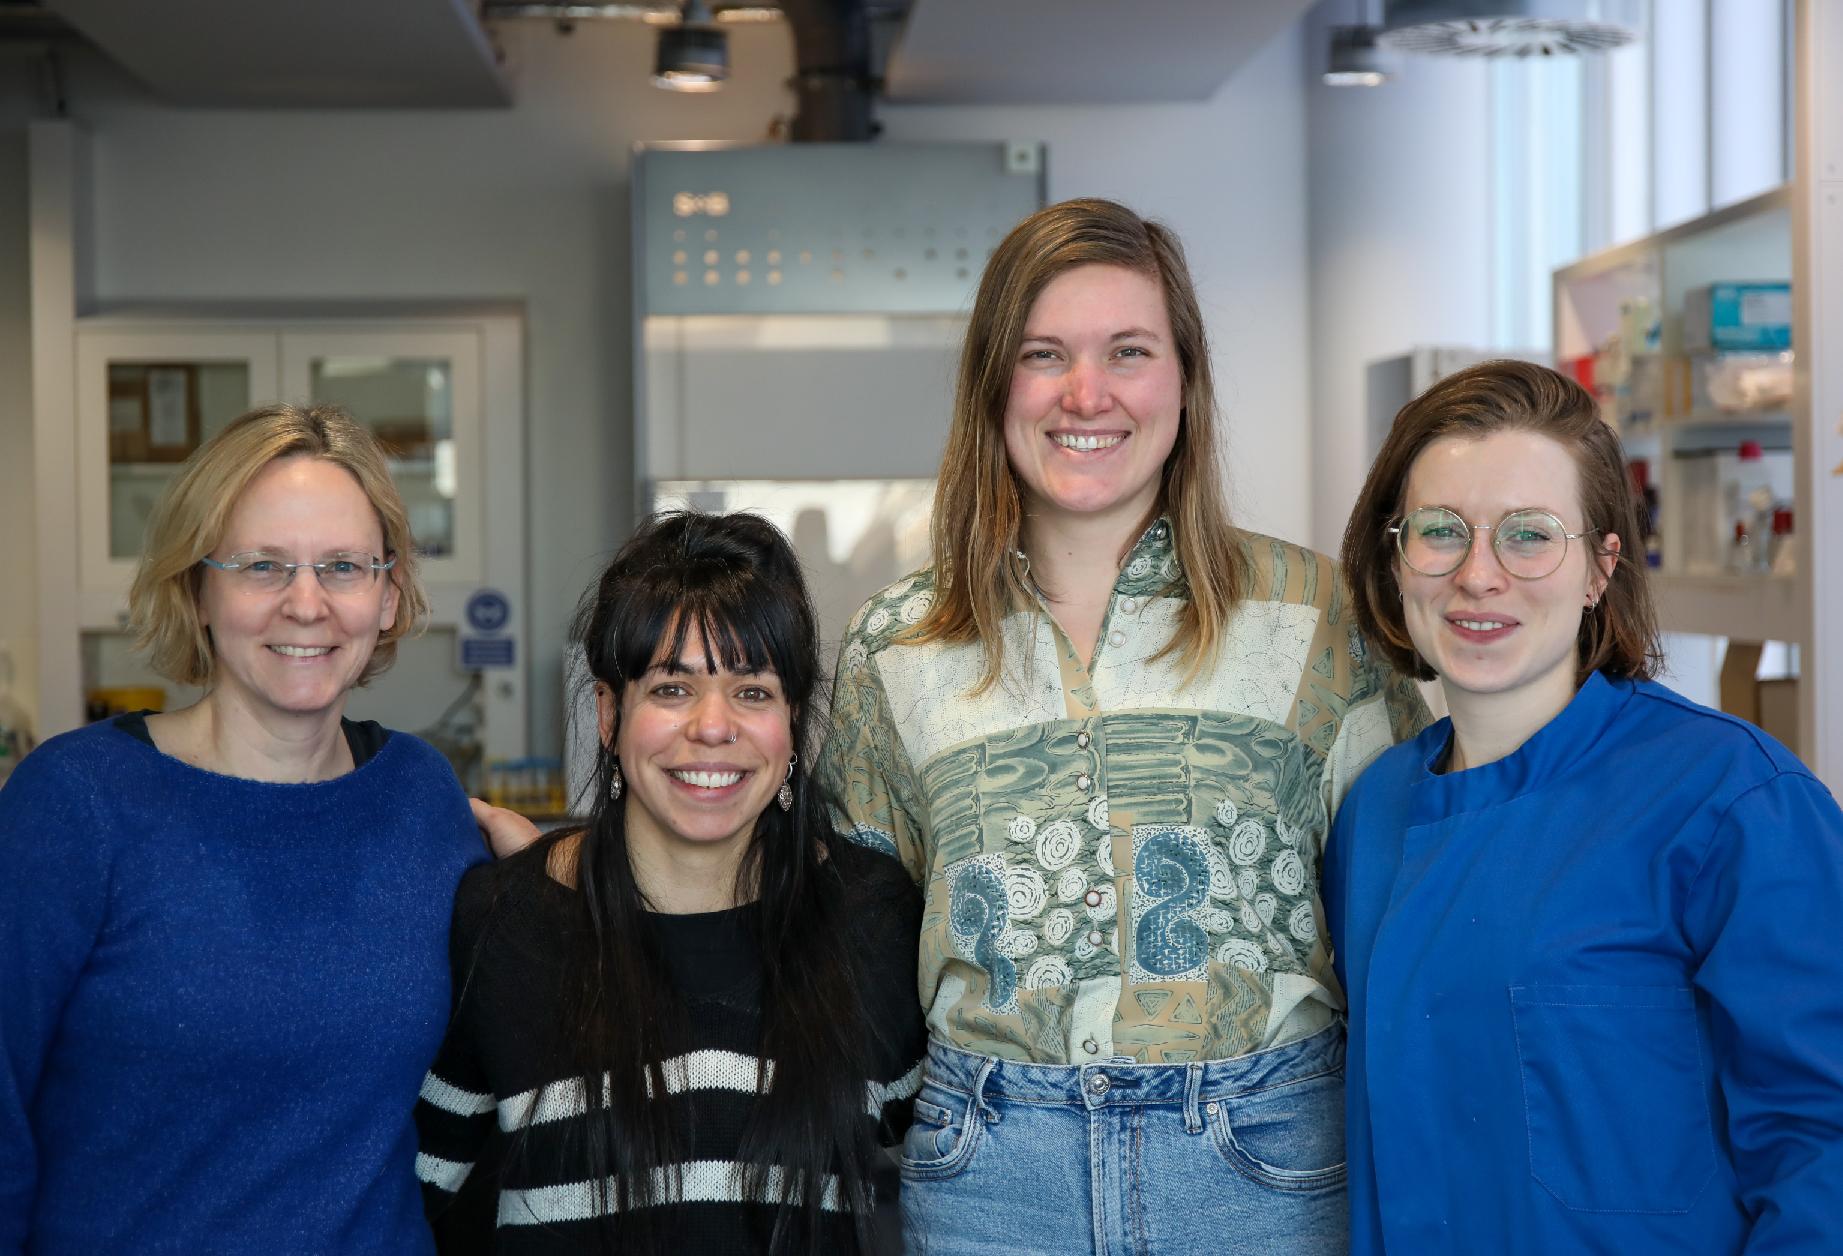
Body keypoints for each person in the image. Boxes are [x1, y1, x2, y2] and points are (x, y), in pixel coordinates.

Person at [815, 197, 1428, 1254]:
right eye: (1042, 353)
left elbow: (1409, 904)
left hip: (1261, 1165)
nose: (1084, 393)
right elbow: (837, 928)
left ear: (1184, 380)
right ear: (990, 385)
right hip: (990, 1173)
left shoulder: (1315, 615)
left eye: (1128, 351)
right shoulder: (895, 644)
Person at [1326, 359, 1843, 1253]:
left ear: (1602, 566)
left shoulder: (1731, 800)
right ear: (1395, 556)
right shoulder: (1372, 813)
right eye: (1440, 531)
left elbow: (1822, 1141)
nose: (1477, 575)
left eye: (1529, 536)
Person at [0, 404, 485, 1254]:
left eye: (342, 566)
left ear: (389, 591)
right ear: (198, 586)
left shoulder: (422, 798)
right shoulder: (76, 803)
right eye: (263, 566)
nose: (307, 604)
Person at [415, 511, 925, 1255]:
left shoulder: (870, 921)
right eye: (672, 688)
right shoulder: (502, 923)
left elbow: (960, 1192)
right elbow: (406, 1199)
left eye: (752, 691)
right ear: (608, 715)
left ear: (792, 725)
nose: (713, 727)